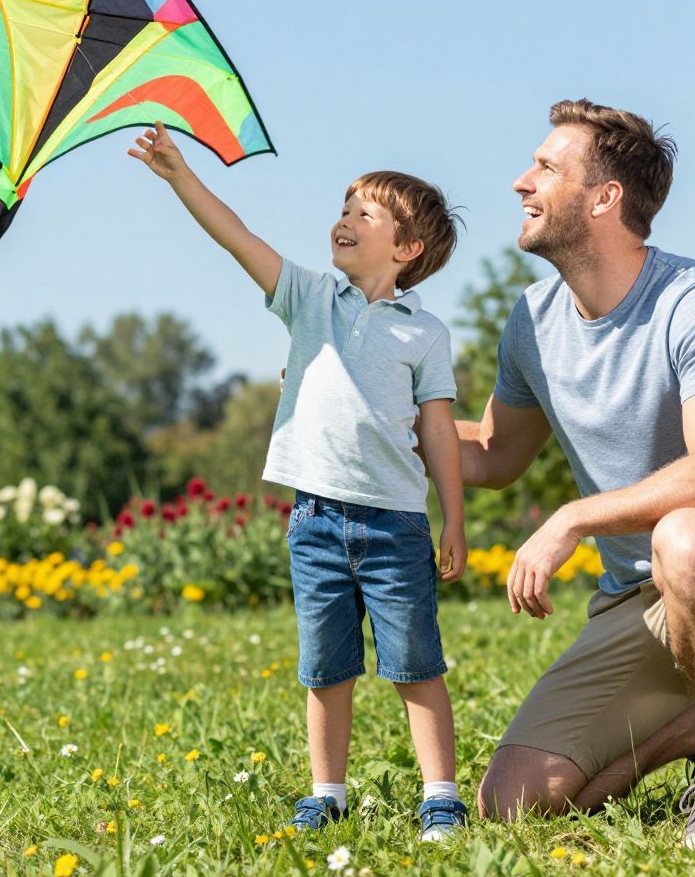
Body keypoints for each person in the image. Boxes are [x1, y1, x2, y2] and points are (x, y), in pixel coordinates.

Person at [457, 100, 695, 845]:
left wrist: (573, 517)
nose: (521, 183)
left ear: (604, 197)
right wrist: (377, 415)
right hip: (636, 598)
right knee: (511, 805)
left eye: (546, 168)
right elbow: (494, 455)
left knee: (689, 538)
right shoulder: (531, 321)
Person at [129, 122, 471, 841]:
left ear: (406, 249)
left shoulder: (426, 334)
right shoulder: (309, 299)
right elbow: (237, 237)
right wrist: (180, 176)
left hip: (395, 524)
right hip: (314, 522)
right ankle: (327, 793)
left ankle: (440, 794)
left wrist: (455, 521)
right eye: (343, 208)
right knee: (325, 667)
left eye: (363, 214)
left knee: (415, 664)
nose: (343, 220)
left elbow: (438, 431)